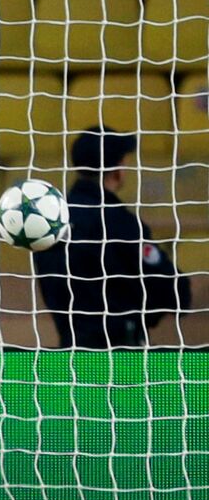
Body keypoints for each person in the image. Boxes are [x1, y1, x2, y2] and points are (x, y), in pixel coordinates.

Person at [34, 126, 190, 348]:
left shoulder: (52, 221)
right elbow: (174, 291)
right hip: (120, 359)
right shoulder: (119, 222)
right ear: (117, 169)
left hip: (69, 354)